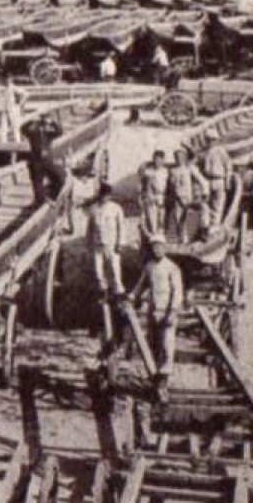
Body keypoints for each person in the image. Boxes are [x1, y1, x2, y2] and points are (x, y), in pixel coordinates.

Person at [133, 235, 185, 371]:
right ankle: (154, 377)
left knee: (167, 346)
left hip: (167, 312)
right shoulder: (149, 267)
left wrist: (173, 312)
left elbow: (177, 293)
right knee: (153, 345)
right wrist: (132, 296)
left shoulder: (172, 268)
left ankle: (164, 379)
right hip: (153, 312)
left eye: (159, 247)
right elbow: (140, 286)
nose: (156, 250)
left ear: (164, 248)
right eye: (154, 247)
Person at [87, 183, 127, 298]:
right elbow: (90, 228)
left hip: (112, 243)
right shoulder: (93, 209)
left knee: (114, 268)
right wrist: (88, 243)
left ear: (110, 196)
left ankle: (119, 292)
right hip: (97, 243)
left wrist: (120, 243)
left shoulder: (116, 208)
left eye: (107, 195)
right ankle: (103, 290)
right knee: (98, 269)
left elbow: (121, 226)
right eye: (102, 195)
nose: (104, 197)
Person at [166, 149, 209, 244]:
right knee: (178, 221)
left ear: (184, 158)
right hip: (177, 200)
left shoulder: (189, 169)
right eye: (177, 157)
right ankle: (182, 241)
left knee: (190, 220)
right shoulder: (172, 171)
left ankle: (197, 237)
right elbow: (170, 187)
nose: (179, 159)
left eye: (181, 157)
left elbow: (203, 181)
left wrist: (205, 194)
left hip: (188, 199)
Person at [202, 144, 234, 228]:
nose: (210, 141)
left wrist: (227, 182)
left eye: (211, 139)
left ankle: (214, 226)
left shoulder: (219, 150)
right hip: (208, 180)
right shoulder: (206, 151)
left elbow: (228, 167)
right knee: (208, 204)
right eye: (209, 139)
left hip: (218, 179)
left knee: (217, 204)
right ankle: (207, 226)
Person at [139, 150, 170, 237]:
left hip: (163, 196)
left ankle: (161, 235)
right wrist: (146, 196)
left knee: (162, 218)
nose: (157, 162)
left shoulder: (166, 171)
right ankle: (154, 236)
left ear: (163, 160)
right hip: (152, 196)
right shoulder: (149, 171)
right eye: (156, 159)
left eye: (160, 160)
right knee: (152, 218)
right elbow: (143, 184)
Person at [0, 77, 24, 144]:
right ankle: (3, 142)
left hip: (13, 109)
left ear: (10, 80)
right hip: (4, 109)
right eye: (5, 80)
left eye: (8, 79)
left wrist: (20, 103)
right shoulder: (3, 88)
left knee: (15, 126)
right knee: (3, 126)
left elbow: (26, 94)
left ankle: (17, 142)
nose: (6, 81)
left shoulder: (14, 88)